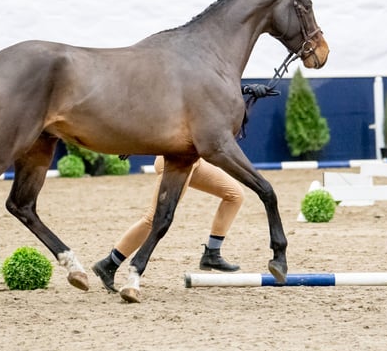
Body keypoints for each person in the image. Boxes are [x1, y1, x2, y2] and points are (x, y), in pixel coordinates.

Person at [92, 83, 279, 292]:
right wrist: (134, 142)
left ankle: (212, 253)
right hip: (176, 163)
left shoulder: (204, 85)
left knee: (234, 194)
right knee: (153, 219)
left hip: (195, 162)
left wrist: (248, 90)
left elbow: (215, 91)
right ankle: (109, 263)